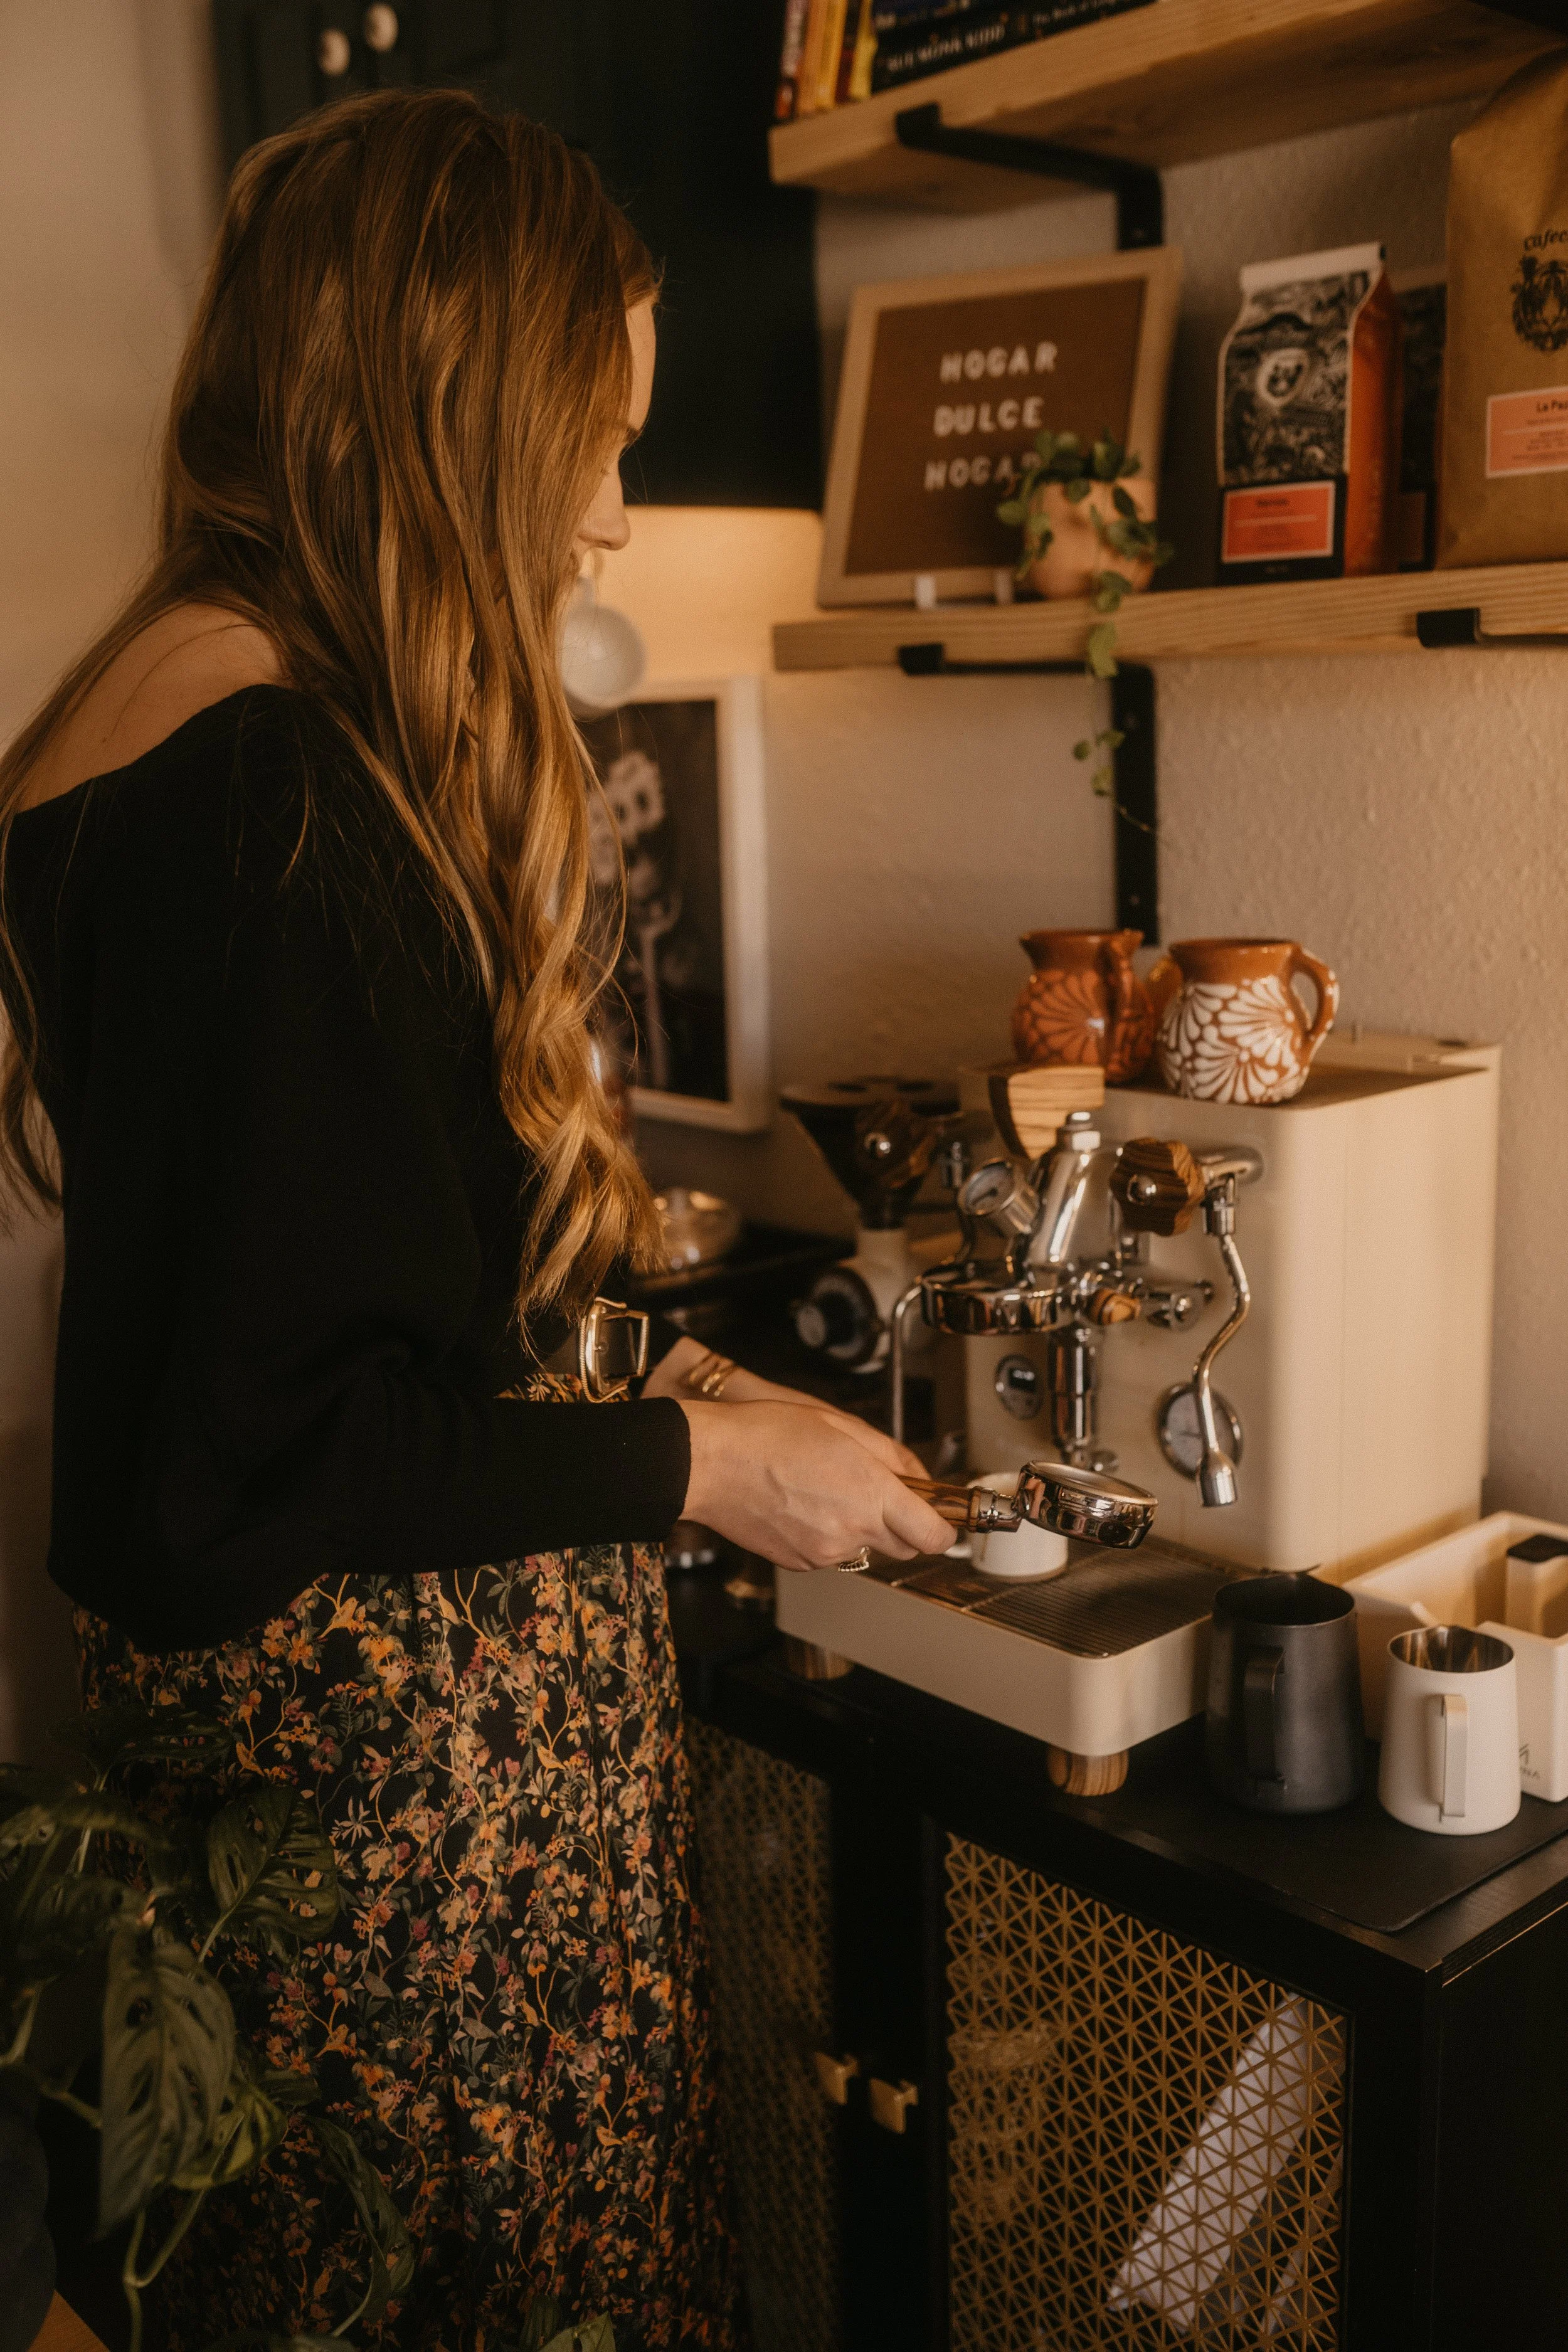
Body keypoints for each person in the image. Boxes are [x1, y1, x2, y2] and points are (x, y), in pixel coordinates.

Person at [0, 90, 951, 2351]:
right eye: (590, 440)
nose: (612, 512)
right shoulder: (273, 797)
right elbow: (251, 1459)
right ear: (446, 414)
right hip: (412, 1841)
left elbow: (332, 1266)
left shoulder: (161, 700)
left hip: (299, 1782)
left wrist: (668, 1353)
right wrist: (706, 1463)